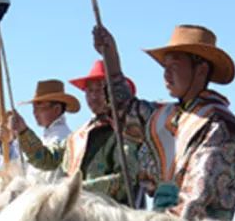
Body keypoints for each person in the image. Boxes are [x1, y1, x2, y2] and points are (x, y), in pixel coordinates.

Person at [92, 24, 235, 221]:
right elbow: (124, 109)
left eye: (174, 66)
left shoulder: (217, 125)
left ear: (201, 70)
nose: (166, 74)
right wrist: (111, 58)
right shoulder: (165, 116)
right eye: (165, 67)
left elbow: (197, 200)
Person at [14, 61, 142, 205]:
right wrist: (23, 131)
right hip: (80, 213)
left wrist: (75, 189)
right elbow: (48, 159)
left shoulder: (126, 131)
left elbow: (126, 180)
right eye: (89, 91)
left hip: (112, 217)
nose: (93, 96)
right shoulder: (79, 136)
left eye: (100, 90)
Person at [1, 80, 77, 185]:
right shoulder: (46, 138)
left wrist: (23, 131)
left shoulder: (64, 137)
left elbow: (45, 159)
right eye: (33, 108)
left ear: (56, 109)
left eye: (39, 107)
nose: (34, 112)